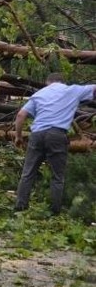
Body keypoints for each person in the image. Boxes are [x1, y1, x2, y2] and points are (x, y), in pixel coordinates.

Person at [13, 73, 96, 215]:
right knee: (57, 176)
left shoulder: (39, 94)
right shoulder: (72, 90)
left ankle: (20, 208)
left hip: (37, 134)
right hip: (57, 135)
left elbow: (21, 115)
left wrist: (18, 136)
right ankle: (54, 212)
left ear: (47, 82)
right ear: (62, 82)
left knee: (28, 173)